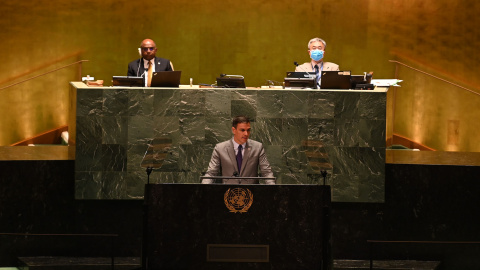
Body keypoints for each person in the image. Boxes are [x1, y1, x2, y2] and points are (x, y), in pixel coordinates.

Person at [202, 116, 275, 185]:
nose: (246, 134)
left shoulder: (257, 147)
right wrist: (202, 188)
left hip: (251, 194)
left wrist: (273, 189)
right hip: (228, 194)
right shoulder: (220, 148)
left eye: (248, 130)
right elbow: (211, 173)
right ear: (234, 130)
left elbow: (267, 173)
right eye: (242, 130)